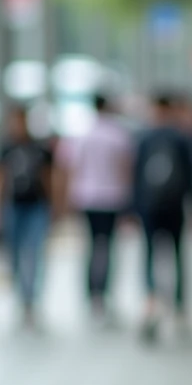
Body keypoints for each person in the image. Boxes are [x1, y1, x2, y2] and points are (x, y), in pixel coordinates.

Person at [55, 93, 133, 321]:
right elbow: (125, 168)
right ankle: (104, 292)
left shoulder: (82, 133)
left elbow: (69, 167)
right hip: (112, 197)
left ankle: (92, 294)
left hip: (86, 198)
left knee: (91, 246)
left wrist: (66, 199)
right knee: (107, 246)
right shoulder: (117, 134)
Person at [133, 92, 192, 342]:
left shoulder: (143, 138)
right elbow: (190, 177)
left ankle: (151, 301)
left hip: (149, 208)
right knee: (178, 256)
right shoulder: (181, 138)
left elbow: (136, 177)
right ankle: (180, 309)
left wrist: (133, 209)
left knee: (149, 254)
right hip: (175, 207)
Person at [0, 104, 52, 327]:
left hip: (36, 207)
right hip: (13, 207)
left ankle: (30, 300)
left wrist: (55, 205)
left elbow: (48, 177)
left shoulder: (39, 149)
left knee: (34, 254)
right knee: (14, 255)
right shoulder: (5, 149)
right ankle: (21, 296)